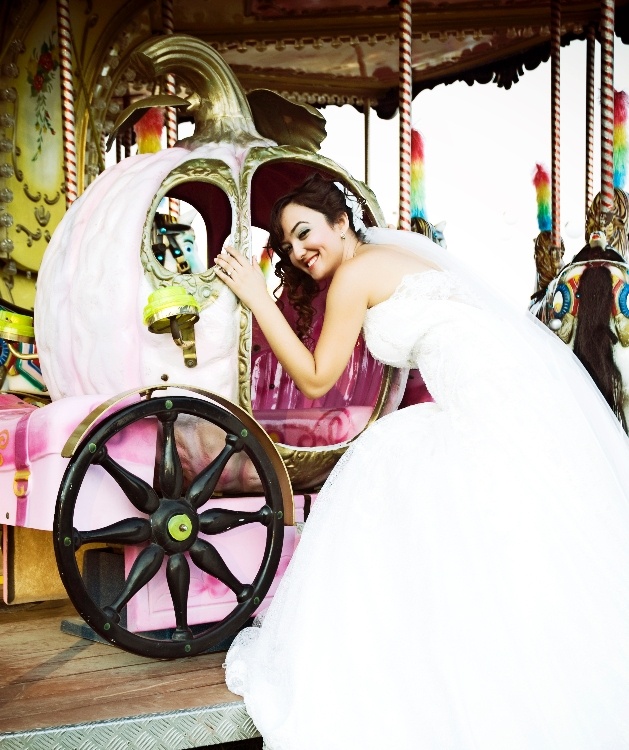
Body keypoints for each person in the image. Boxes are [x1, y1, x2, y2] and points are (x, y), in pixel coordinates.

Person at [216, 173, 629, 750]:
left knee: (393, 463)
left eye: (305, 232)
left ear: (341, 224)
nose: (298, 251)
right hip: (503, 384)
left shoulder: (356, 274)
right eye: (286, 246)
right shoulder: (387, 256)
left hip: (485, 394)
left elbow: (315, 377)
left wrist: (259, 299)